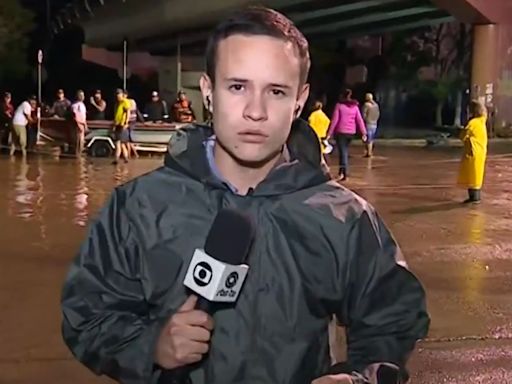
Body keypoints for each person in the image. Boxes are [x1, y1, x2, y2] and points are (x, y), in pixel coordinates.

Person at [61, 7, 429, 384]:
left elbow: (392, 323)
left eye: (276, 91)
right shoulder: (137, 207)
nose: (256, 111)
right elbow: (88, 317)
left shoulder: (345, 217)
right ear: (208, 91)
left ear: (299, 101)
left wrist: (359, 378)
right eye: (237, 87)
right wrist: (151, 345)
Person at [327, 89, 367, 181]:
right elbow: (359, 120)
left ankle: (344, 173)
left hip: (341, 132)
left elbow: (335, 120)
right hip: (351, 133)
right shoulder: (355, 107)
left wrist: (329, 133)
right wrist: (363, 133)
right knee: (344, 152)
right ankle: (341, 172)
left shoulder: (339, 106)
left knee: (343, 153)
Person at [457, 100, 488, 204]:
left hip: (473, 151)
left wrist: (460, 132)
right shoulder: (482, 121)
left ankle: (474, 198)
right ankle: (474, 197)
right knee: (476, 175)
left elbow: (464, 135)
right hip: (480, 152)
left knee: (472, 175)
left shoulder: (473, 123)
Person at [112, 89, 131, 164]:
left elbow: (128, 112)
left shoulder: (125, 102)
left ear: (122, 95)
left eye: (119, 94)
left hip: (122, 125)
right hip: (118, 125)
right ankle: (124, 158)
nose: (117, 96)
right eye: (117, 95)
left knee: (119, 143)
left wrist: (126, 123)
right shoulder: (118, 103)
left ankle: (117, 159)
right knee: (120, 143)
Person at [124, 89, 143, 158]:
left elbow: (127, 112)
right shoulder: (133, 101)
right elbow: (137, 111)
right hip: (133, 121)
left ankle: (131, 155)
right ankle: (134, 154)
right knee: (128, 140)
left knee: (127, 140)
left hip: (129, 121)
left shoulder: (127, 102)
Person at [362, 93, 380, 158]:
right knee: (371, 138)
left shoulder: (366, 105)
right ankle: (370, 151)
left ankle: (369, 152)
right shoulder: (376, 105)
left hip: (368, 123)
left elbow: (363, 114)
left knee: (367, 139)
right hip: (374, 123)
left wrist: (364, 120)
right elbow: (378, 114)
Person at [71, 90, 88, 155]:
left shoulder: (82, 105)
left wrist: (85, 125)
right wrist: (78, 125)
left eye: (83, 95)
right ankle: (77, 154)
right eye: (81, 95)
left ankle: (79, 154)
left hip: (82, 124)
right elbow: (75, 116)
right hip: (78, 124)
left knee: (82, 140)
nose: (83, 97)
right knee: (78, 140)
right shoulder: (75, 105)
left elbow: (84, 116)